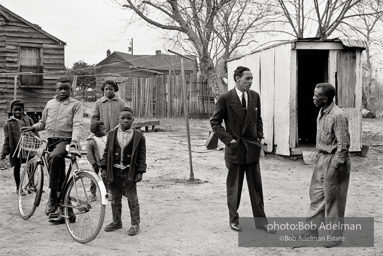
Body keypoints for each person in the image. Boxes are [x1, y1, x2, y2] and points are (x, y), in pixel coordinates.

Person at [210, 66, 275, 233]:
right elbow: (215, 123)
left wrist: (259, 136)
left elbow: (258, 119)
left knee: (257, 188)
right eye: (247, 78)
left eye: (251, 78)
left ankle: (262, 222)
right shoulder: (225, 98)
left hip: (252, 148)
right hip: (235, 149)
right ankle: (234, 220)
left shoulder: (254, 97)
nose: (250, 81)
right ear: (237, 79)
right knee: (234, 188)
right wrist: (229, 140)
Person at [298, 83, 351, 248]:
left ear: (325, 98)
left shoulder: (338, 115)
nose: (313, 98)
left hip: (334, 161)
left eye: (316, 95)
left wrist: (336, 165)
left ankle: (334, 237)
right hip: (321, 159)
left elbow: (344, 144)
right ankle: (311, 231)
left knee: (333, 201)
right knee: (316, 196)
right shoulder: (321, 111)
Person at [22, 77, 83, 215]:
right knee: (57, 174)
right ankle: (67, 214)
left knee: (55, 157)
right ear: (56, 89)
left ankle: (52, 197)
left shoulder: (76, 104)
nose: (63, 91)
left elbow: (78, 124)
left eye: (66, 88)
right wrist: (33, 128)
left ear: (71, 90)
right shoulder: (50, 103)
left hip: (65, 140)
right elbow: (43, 123)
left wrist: (74, 141)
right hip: (50, 141)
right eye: (60, 88)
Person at [100, 106, 146, 236]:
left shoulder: (139, 137)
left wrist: (140, 171)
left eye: (129, 118)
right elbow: (106, 152)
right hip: (114, 171)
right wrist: (103, 167)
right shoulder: (111, 134)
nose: (126, 121)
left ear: (133, 120)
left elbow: (142, 156)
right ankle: (116, 222)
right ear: (118, 119)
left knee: (132, 199)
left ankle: (135, 224)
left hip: (129, 172)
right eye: (123, 118)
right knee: (115, 198)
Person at [1, 100, 35, 194]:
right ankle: (18, 188)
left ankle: (31, 186)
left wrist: (38, 141)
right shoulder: (8, 124)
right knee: (17, 167)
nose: (18, 112)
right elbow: (7, 139)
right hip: (16, 150)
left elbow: (34, 130)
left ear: (23, 110)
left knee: (31, 166)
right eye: (15, 110)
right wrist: (4, 152)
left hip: (28, 148)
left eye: (20, 110)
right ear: (11, 110)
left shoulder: (28, 119)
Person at [86, 121, 107, 201]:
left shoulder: (106, 138)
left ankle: (106, 193)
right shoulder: (91, 141)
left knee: (106, 178)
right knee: (94, 179)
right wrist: (93, 163)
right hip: (96, 163)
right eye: (103, 129)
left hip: (105, 162)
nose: (105, 130)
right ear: (96, 131)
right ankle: (93, 194)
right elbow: (89, 154)